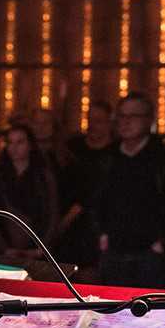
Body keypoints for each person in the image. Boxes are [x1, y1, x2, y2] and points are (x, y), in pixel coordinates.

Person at [88, 92, 165, 287]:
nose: (126, 122)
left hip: (153, 257)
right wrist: (101, 235)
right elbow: (94, 203)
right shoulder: (106, 159)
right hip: (114, 253)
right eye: (121, 116)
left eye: (134, 116)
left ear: (149, 120)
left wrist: (164, 243)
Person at [0, 123, 61, 264]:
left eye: (20, 142)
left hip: (38, 249)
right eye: (10, 142)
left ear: (30, 145)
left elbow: (52, 214)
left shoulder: (43, 177)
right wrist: (4, 248)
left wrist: (41, 247)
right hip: (6, 250)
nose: (14, 148)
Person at [54, 101, 116, 271]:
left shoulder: (116, 152)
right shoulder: (73, 148)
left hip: (101, 229)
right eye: (90, 119)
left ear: (109, 123)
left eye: (99, 121)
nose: (92, 125)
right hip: (70, 233)